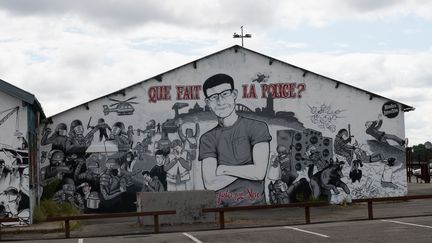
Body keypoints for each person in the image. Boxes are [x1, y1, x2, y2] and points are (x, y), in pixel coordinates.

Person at [199, 73, 272, 206]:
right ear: (208, 102)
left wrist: (222, 169)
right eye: (214, 97)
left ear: (234, 94)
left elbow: (259, 173)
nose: (220, 101)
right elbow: (210, 183)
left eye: (225, 94)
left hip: (256, 208)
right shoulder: (207, 139)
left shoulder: (257, 127)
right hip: (221, 212)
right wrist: (247, 169)